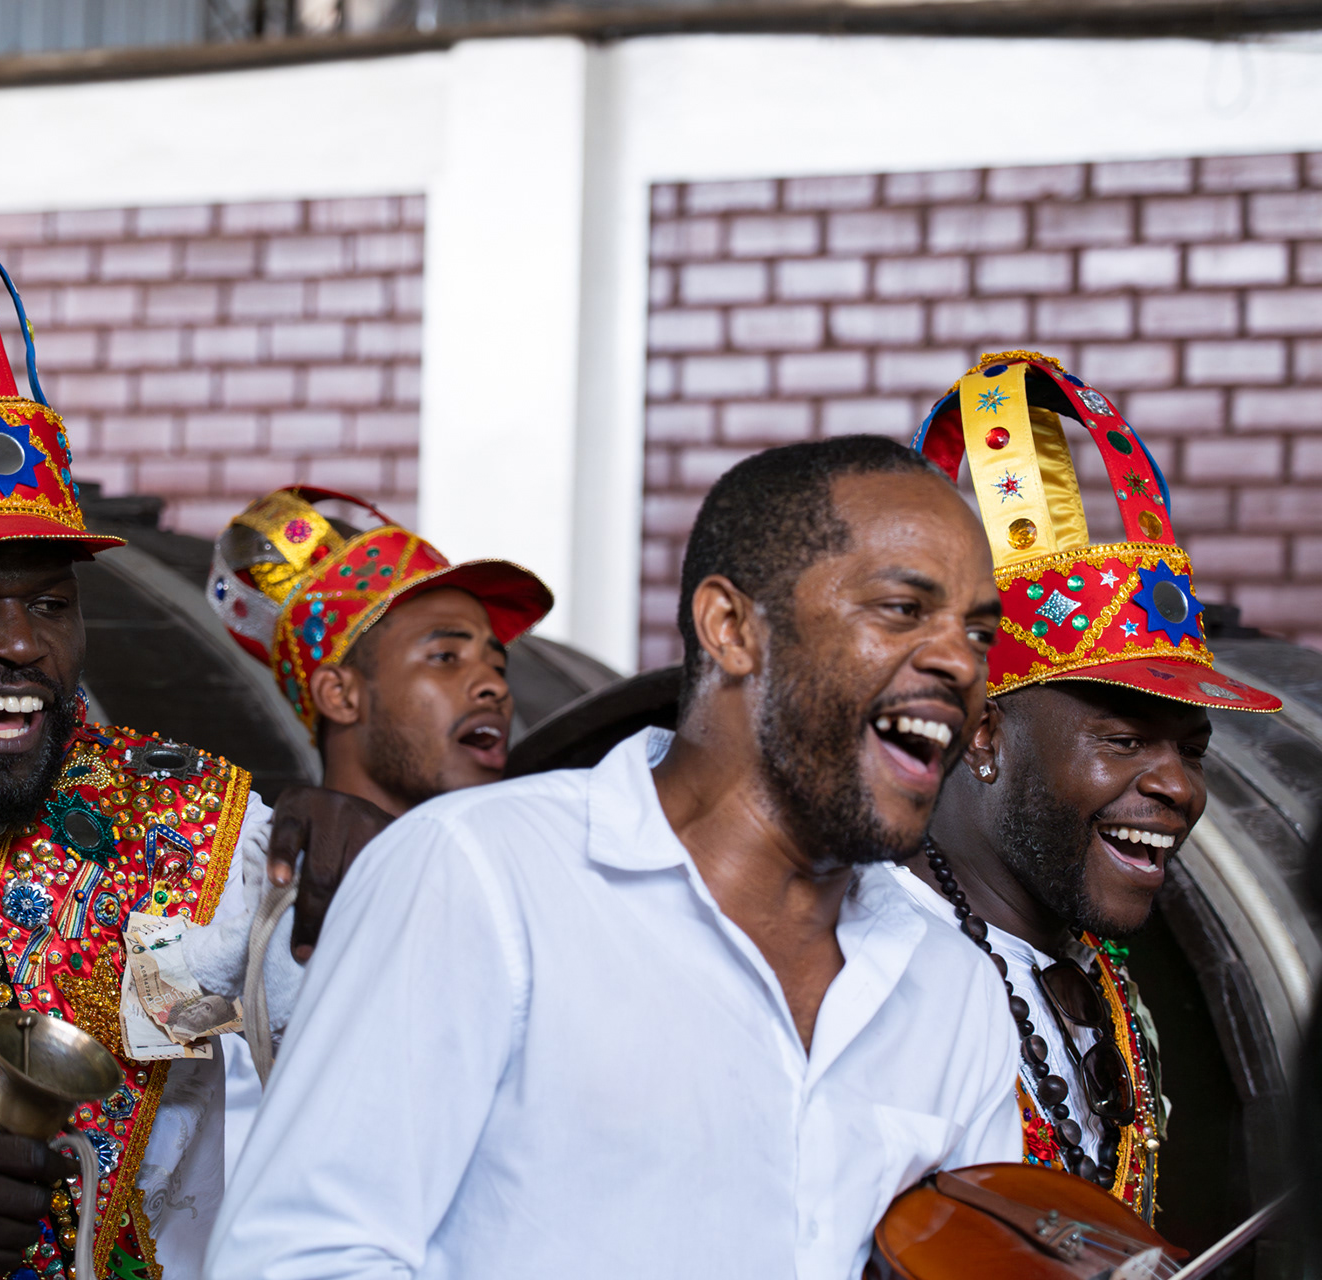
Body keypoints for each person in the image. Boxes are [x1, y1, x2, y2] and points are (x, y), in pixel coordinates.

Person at [207, 434, 1023, 1280]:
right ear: (732, 628)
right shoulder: (479, 876)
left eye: (978, 632)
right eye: (902, 608)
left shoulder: (953, 989)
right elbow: (297, 1261)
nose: (962, 662)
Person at [0, 209, 365, 1280]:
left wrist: (377, 873)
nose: (21, 643)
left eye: (51, 601)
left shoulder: (198, 827)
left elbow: (383, 1082)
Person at [893, 349, 1282, 1220]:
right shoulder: (871, 978)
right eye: (1126, 740)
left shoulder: (1100, 982)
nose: (1178, 787)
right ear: (983, 732)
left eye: (1194, 749)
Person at [205, 486, 553, 966]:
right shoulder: (247, 888)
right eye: (445, 657)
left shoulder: (533, 879)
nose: (494, 686)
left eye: (497, 665)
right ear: (340, 695)